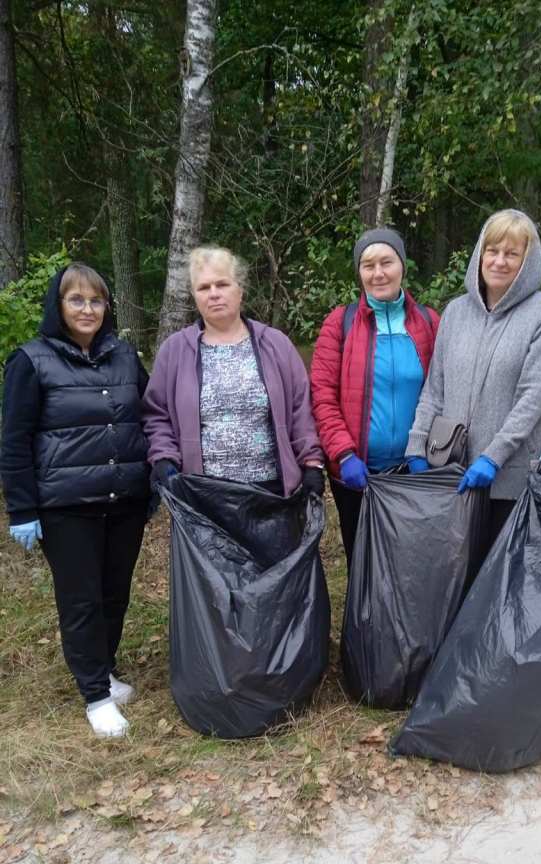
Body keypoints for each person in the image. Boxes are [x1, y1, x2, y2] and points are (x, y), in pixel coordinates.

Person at [1, 263, 150, 739]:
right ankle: (95, 696)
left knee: (114, 594)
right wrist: (22, 508)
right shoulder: (31, 361)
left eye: (96, 300)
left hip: (124, 500)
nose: (88, 309)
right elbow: (14, 440)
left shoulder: (124, 356)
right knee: (81, 600)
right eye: (77, 300)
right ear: (59, 306)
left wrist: (150, 481)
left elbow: (147, 417)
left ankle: (104, 668)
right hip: (66, 507)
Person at [406, 209, 541, 544]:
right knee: (453, 570)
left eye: (512, 254)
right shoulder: (456, 311)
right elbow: (435, 389)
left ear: (527, 262)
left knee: (497, 572)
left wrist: (493, 456)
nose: (499, 261)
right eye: (493, 251)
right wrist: (417, 446)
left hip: (507, 478)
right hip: (450, 472)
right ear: (480, 253)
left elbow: (533, 396)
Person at [142, 245, 324, 500]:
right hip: (204, 495)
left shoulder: (276, 344)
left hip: (273, 493)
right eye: (204, 288)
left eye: (222, 284)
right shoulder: (174, 351)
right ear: (194, 296)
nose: (214, 294)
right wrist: (163, 457)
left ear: (240, 289)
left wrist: (312, 462)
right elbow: (156, 415)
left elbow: (301, 410)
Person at [310, 228, 440, 564]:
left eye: (387, 262)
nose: (378, 273)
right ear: (359, 272)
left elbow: (443, 390)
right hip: (358, 476)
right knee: (364, 564)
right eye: (368, 265)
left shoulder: (429, 323)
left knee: (413, 564)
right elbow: (322, 395)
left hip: (416, 472)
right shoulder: (340, 323)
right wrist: (344, 454)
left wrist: (428, 453)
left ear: (402, 266)